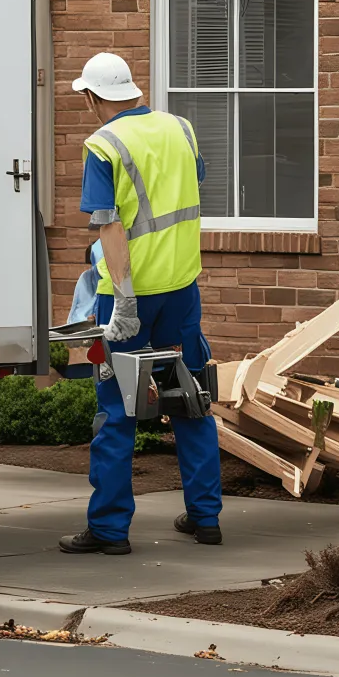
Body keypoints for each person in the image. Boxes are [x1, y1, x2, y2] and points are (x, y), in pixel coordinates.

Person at [59, 52, 223, 556]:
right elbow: (185, 197)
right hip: (181, 289)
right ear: (131, 90)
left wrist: (124, 299)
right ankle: (206, 518)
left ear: (92, 98)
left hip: (127, 298)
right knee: (191, 400)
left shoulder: (103, 144)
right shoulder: (182, 128)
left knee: (117, 411)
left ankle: (110, 532)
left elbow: (110, 226)